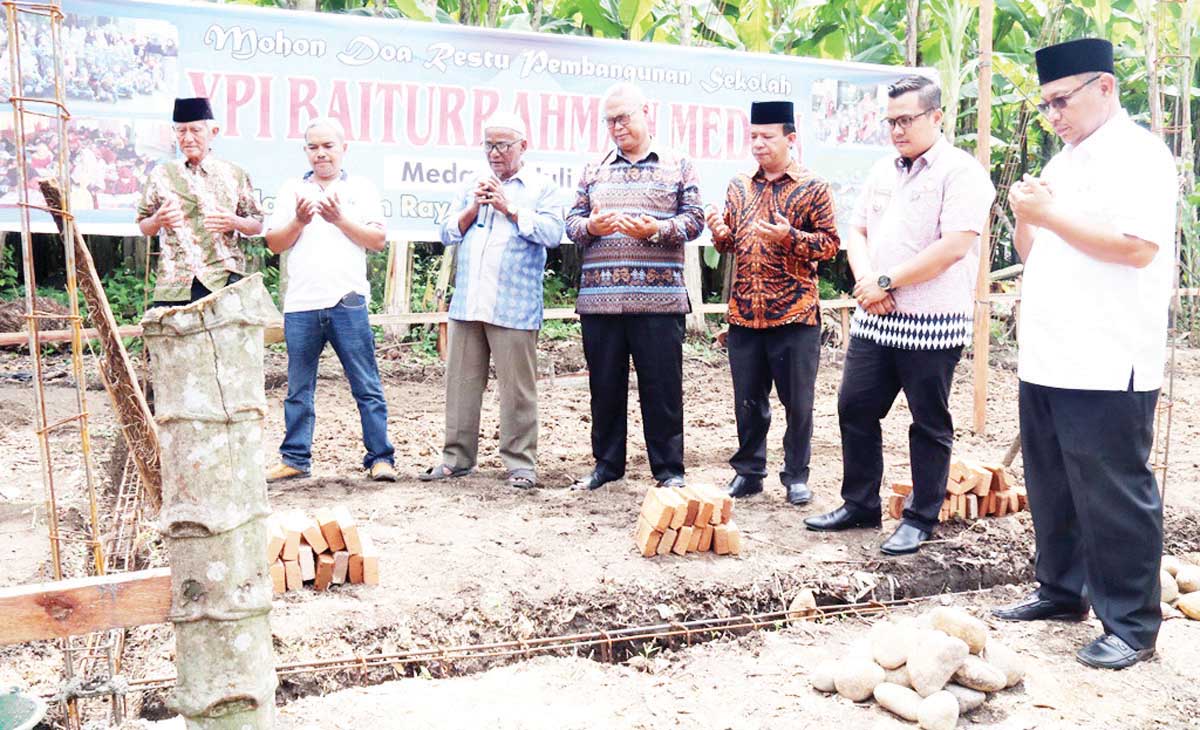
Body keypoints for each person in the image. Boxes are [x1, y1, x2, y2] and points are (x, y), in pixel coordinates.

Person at [990, 38, 1177, 670]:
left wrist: (1051, 212)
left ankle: (1130, 624)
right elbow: (1036, 249)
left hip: (1106, 356)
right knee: (1052, 486)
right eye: (1046, 105)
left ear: (1105, 87)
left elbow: (1136, 248)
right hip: (1049, 353)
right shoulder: (1064, 161)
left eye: (1061, 101)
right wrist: (1026, 215)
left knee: (1112, 491)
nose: (1054, 117)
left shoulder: (1141, 156)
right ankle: (1060, 591)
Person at [804, 75, 995, 555]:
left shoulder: (961, 172)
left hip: (931, 322)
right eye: (891, 122)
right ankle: (860, 502)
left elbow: (954, 246)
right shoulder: (882, 170)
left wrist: (888, 282)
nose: (897, 130)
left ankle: (920, 516)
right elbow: (858, 229)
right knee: (855, 407)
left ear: (936, 117)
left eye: (906, 120)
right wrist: (870, 281)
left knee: (928, 421)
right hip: (877, 317)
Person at [564, 82, 704, 490]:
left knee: (662, 389)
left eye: (624, 117)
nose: (617, 126)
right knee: (604, 388)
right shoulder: (593, 167)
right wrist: (591, 226)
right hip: (600, 301)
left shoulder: (678, 164)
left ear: (647, 112)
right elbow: (571, 224)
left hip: (659, 300)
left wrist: (657, 229)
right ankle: (607, 466)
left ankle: (669, 470)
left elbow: (694, 220)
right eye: (610, 120)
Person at [420, 112, 565, 489]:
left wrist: (509, 207)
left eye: (503, 145)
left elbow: (552, 233)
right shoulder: (471, 184)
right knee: (460, 383)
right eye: (488, 145)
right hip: (468, 301)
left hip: (513, 304)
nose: (495, 153)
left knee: (517, 389)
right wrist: (472, 208)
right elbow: (446, 232)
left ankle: (519, 463)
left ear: (523, 147)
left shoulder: (541, 187)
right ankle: (456, 458)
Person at [705, 100, 840, 506]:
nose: (758, 145)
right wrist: (718, 232)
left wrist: (791, 238)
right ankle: (748, 473)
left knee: (798, 404)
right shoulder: (738, 184)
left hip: (795, 314)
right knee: (747, 401)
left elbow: (831, 245)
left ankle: (796, 476)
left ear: (791, 139)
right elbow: (731, 242)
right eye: (753, 137)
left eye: (767, 137)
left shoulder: (812, 187)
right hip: (745, 314)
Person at [262, 117, 396, 483]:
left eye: (328, 146)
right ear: (305, 151)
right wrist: (299, 222)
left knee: (366, 385)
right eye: (313, 147)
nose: (321, 154)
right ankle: (295, 458)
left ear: (343, 148)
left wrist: (339, 219)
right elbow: (274, 243)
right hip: (302, 304)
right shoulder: (291, 190)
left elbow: (377, 240)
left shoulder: (362, 188)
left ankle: (381, 458)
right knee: (298, 389)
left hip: (347, 301)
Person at [137, 97, 262, 307]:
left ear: (213, 133)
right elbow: (144, 226)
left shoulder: (235, 174)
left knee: (224, 340)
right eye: (181, 131)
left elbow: (256, 224)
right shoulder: (161, 174)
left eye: (195, 130)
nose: (188, 138)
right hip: (174, 284)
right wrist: (157, 220)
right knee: (172, 340)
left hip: (222, 280)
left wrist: (235, 222)